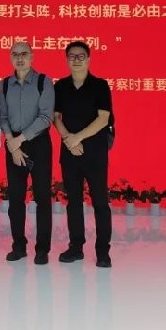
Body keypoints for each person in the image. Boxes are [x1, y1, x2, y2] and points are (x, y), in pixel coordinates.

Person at [54, 41, 114, 268]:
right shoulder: (60, 86)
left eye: (81, 56)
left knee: (100, 202)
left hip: (95, 153)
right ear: (66, 60)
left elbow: (103, 119)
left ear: (88, 59)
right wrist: (68, 140)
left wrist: (76, 138)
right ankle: (76, 247)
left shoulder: (100, 85)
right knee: (74, 203)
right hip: (70, 153)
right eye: (72, 56)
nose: (76, 60)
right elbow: (56, 117)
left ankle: (103, 251)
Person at [0, 41, 55, 264]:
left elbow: (46, 117)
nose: (20, 58)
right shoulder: (4, 85)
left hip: (38, 144)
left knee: (42, 198)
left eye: (24, 54)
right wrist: (12, 143)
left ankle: (42, 249)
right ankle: (19, 246)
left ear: (32, 57)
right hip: (13, 144)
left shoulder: (43, 82)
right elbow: (2, 117)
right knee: (15, 198)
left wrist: (19, 141)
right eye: (15, 54)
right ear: (10, 57)